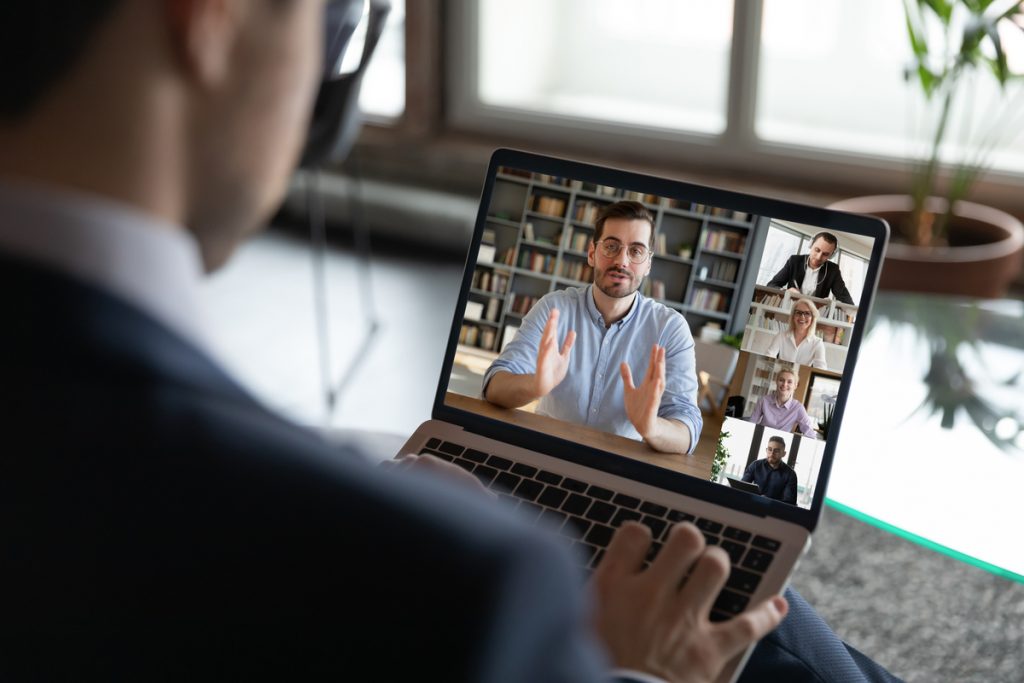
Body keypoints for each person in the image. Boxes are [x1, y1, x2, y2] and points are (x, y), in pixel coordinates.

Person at [0, 3, 900, 681]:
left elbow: (671, 436)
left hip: (582, 492)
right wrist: (625, 665)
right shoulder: (471, 583)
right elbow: (503, 396)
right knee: (777, 633)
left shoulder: (662, 329)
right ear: (213, 18)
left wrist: (637, 421)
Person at [483, 201, 701, 454]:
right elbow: (493, 386)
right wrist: (535, 385)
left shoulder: (671, 329)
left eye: (636, 251)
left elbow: (688, 431)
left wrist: (651, 427)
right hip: (545, 452)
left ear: (648, 264)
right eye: (611, 246)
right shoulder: (554, 308)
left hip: (620, 467)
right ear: (591, 253)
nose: (622, 261)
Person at [767, 232, 855, 305]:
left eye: (825, 254)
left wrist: (831, 304)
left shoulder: (833, 270)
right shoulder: (794, 261)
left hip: (814, 314)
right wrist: (787, 291)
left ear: (831, 255)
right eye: (817, 250)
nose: (818, 257)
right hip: (790, 307)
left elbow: (846, 300)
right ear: (810, 245)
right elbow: (771, 285)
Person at [749, 369, 819, 439]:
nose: (784, 384)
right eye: (781, 380)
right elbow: (751, 423)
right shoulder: (763, 400)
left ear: (795, 386)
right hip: (760, 438)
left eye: (789, 382)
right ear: (776, 382)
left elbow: (811, 435)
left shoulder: (798, 408)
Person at [765, 297, 828, 369]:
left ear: (812, 318)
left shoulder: (818, 343)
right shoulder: (781, 336)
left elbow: (821, 369)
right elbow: (769, 356)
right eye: (798, 312)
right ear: (793, 317)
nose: (802, 317)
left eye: (807, 313)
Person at [743, 436, 799, 505]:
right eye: (770, 449)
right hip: (750, 505)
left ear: (783, 454)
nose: (772, 453)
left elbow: (790, 502)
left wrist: (767, 501)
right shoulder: (756, 465)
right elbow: (741, 487)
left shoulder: (790, 474)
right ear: (766, 450)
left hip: (774, 511)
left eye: (776, 451)